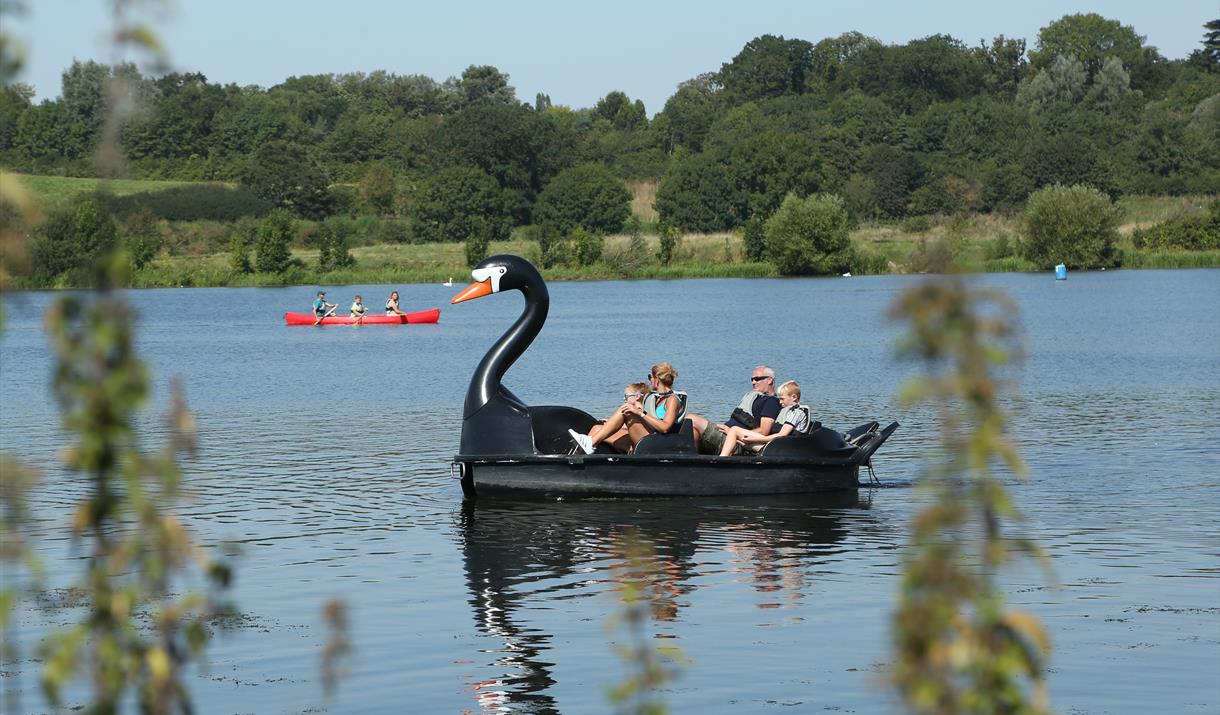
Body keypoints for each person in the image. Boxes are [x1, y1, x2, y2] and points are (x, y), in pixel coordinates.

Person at [569, 364, 686, 454]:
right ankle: (583, 454)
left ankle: (591, 444)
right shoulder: (656, 398)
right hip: (649, 434)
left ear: (656, 379)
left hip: (658, 441)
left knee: (626, 410)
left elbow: (665, 427)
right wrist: (610, 423)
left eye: (650, 377)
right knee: (597, 429)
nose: (649, 380)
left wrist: (640, 412)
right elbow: (647, 421)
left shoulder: (672, 400)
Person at [689, 365, 781, 455]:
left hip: (736, 442)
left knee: (691, 419)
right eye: (752, 379)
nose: (753, 382)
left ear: (769, 380)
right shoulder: (756, 398)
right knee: (692, 430)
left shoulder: (771, 401)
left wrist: (734, 433)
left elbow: (764, 431)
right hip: (725, 436)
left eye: (757, 379)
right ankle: (691, 461)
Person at [719, 380, 812, 456]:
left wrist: (755, 439)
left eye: (782, 399)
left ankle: (722, 460)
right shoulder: (789, 411)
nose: (779, 402)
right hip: (776, 445)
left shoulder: (797, 412)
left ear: (794, 397)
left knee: (735, 430)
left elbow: (781, 435)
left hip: (782, 448)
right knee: (735, 434)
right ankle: (725, 459)